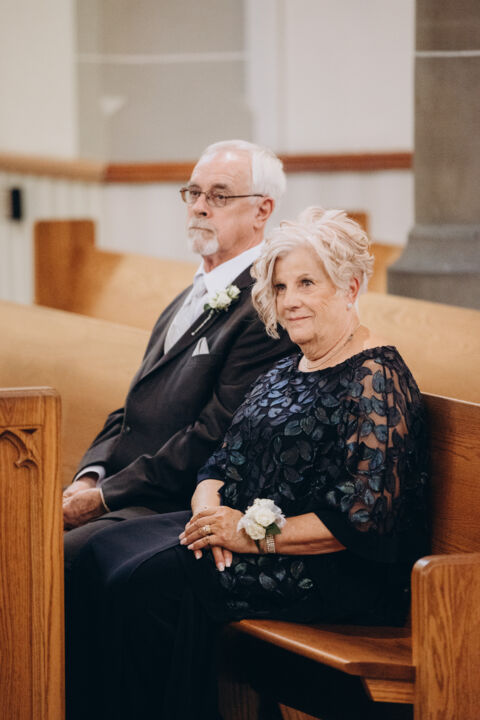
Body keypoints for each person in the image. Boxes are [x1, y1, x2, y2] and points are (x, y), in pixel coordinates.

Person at [65, 208, 429, 720]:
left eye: (307, 283)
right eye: (280, 287)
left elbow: (362, 519)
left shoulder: (376, 378)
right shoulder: (285, 368)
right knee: (100, 551)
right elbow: (220, 461)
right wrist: (209, 518)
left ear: (350, 287)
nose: (290, 300)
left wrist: (248, 536)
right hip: (244, 536)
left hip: (329, 570)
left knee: (145, 582)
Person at [62, 139, 295, 568]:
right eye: (194, 193)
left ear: (262, 210)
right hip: (128, 489)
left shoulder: (264, 308)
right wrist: (89, 476)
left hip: (175, 503)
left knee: (57, 555)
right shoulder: (188, 296)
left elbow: (214, 436)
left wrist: (104, 497)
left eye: (219, 196)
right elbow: (133, 407)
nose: (199, 207)